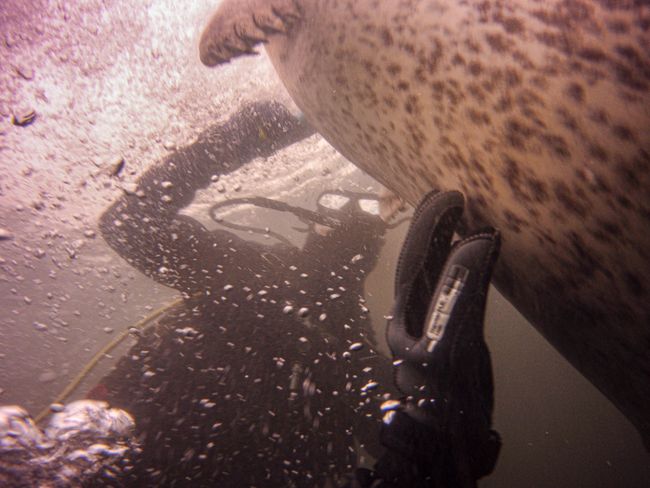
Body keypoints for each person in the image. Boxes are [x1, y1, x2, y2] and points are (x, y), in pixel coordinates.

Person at [92, 100, 501, 487]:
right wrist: (240, 137)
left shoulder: (347, 347)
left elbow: (394, 429)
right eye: (338, 208)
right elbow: (128, 223)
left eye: (359, 221)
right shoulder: (256, 276)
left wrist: (438, 440)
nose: (344, 225)